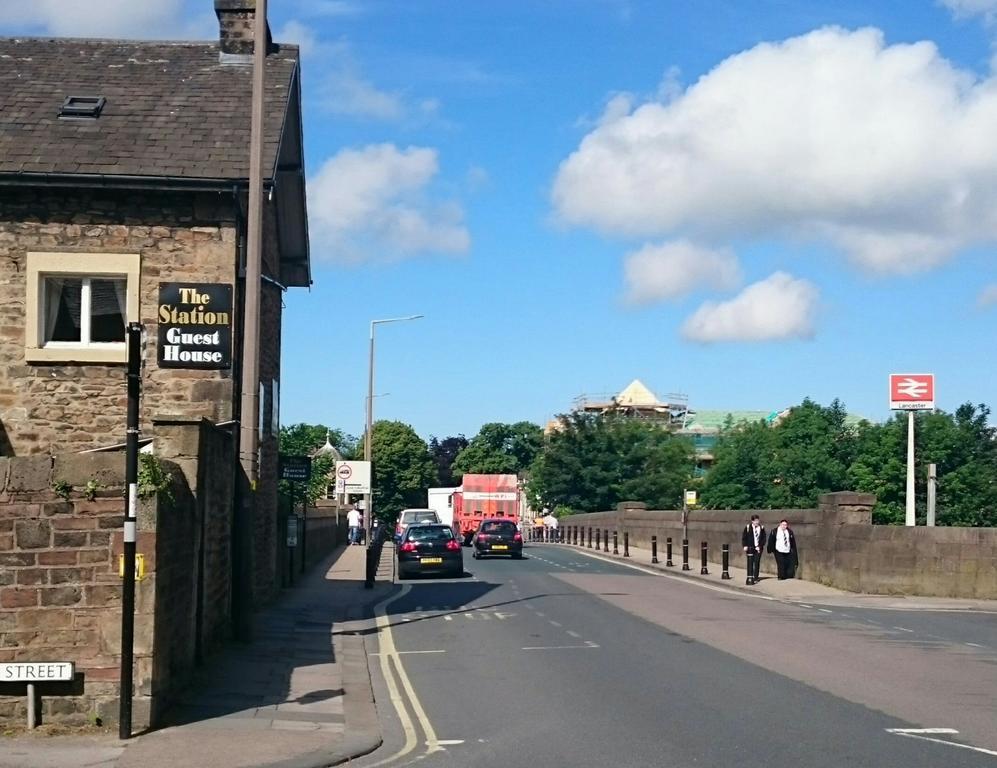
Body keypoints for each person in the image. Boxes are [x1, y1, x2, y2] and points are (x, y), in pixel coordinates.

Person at [740, 514, 765, 585]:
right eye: (755, 521)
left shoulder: (762, 528)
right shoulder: (748, 527)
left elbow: (763, 538)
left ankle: (755, 577)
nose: (757, 522)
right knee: (750, 562)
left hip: (758, 548)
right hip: (750, 548)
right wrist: (745, 545)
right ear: (752, 521)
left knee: (757, 562)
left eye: (758, 520)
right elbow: (744, 538)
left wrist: (760, 546)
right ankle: (750, 576)